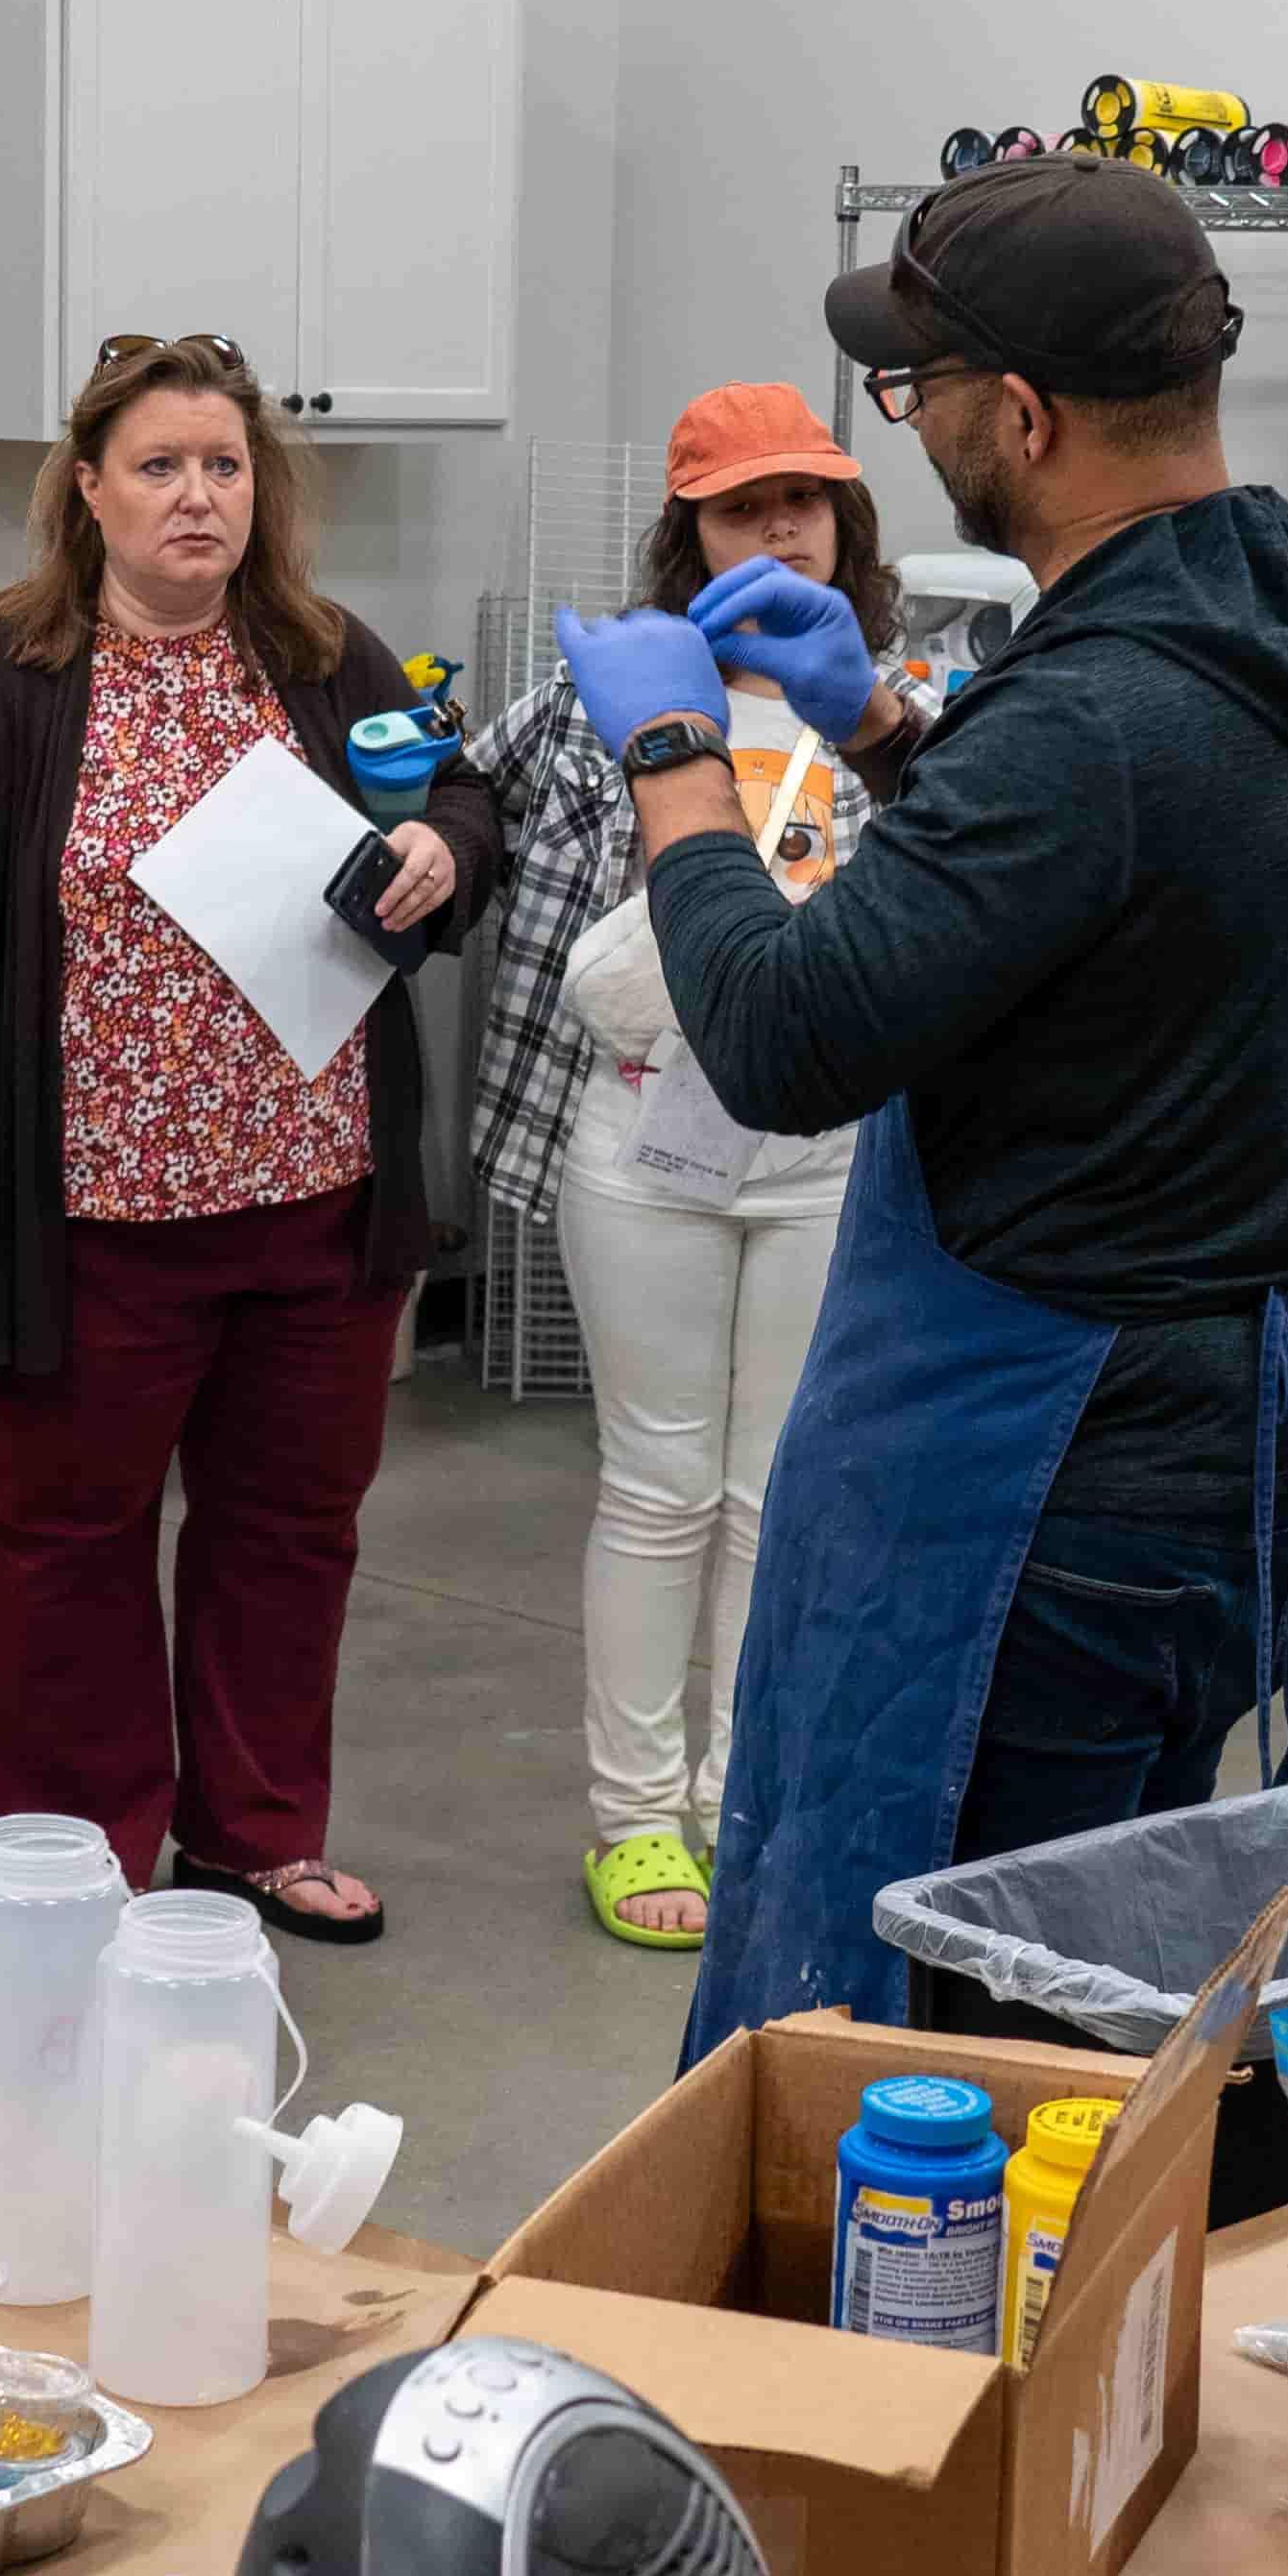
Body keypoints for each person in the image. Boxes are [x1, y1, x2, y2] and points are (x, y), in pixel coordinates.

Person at [568, 153, 1288, 2051]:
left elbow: (784, 1038)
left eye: (916, 384)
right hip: (1216, 1435)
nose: (912, 417)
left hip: (1048, 1471)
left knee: (969, 2024)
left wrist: (678, 758)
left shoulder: (1090, 715)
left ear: (1015, 415)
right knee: (1110, 1968)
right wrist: (884, 732)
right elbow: (1109, 898)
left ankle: (926, 2343)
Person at [0, 336, 476, 1942]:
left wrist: (437, 845)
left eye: (222, 464)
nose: (196, 494)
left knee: (289, 1535)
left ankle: (254, 1831)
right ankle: (86, 1859)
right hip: (88, 1223)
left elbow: (459, 800)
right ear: (86, 491)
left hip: (314, 1205)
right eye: (158, 465)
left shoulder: (328, 657)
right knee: (62, 1554)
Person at [463, 383, 887, 1953]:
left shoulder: (883, 708)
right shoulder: (616, 692)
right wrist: (427, 835)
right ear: (684, 533)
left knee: (778, 1494)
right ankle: (637, 1820)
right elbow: (467, 795)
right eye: (739, 506)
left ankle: (742, 1798)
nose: (778, 530)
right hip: (642, 1140)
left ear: (847, 522)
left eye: (805, 500)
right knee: (656, 1484)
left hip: (827, 1153)